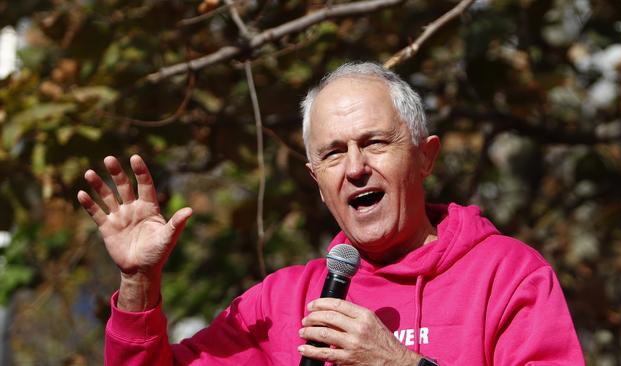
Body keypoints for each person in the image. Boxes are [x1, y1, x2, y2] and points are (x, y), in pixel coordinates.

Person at [78, 62, 584, 365]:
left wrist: (400, 364)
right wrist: (139, 282)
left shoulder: (509, 276)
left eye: (375, 144)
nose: (356, 168)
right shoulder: (281, 301)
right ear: (318, 182)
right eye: (334, 153)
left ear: (426, 156)